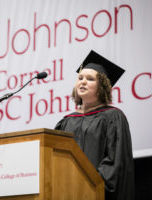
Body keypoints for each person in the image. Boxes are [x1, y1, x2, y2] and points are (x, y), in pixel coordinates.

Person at [55, 50, 135, 200]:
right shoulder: (66, 121)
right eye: (80, 78)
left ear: (102, 86)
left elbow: (114, 163)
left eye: (90, 79)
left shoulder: (113, 117)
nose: (83, 82)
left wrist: (87, 185)